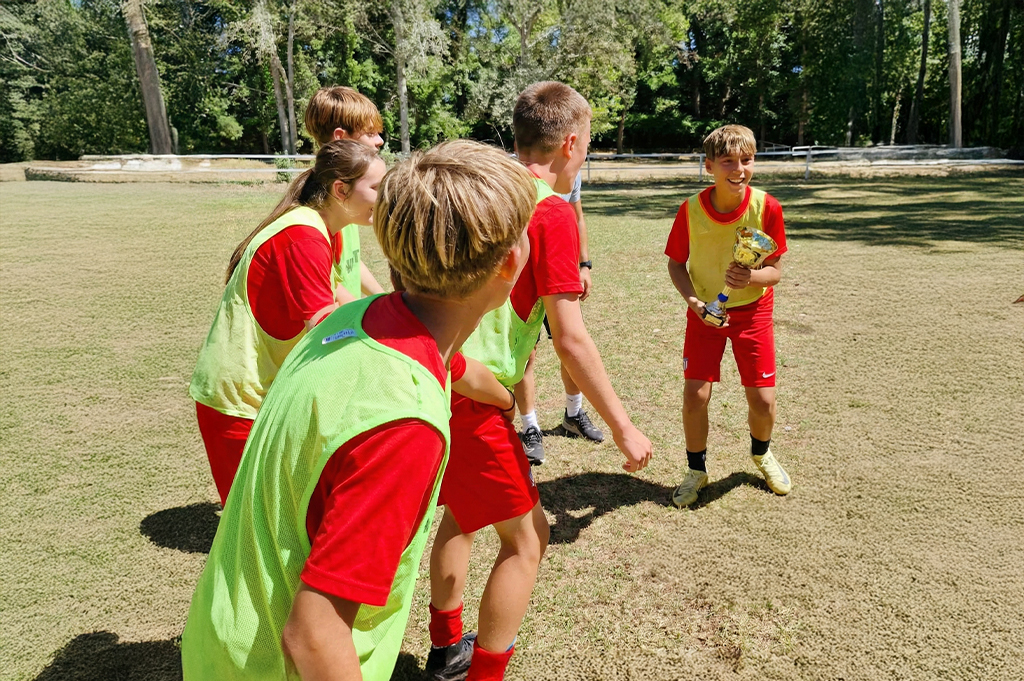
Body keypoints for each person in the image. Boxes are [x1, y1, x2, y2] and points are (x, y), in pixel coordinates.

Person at [180, 140, 538, 681]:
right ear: (510, 262)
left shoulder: (354, 322)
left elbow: (458, 367)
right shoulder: (405, 423)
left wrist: (506, 399)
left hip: (221, 647)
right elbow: (314, 635)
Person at [425, 81, 653, 681]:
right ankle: (480, 674)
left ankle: (446, 645)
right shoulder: (550, 211)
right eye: (590, 143)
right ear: (570, 143)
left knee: (461, 515)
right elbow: (570, 338)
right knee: (528, 541)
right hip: (477, 395)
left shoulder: (480, 188)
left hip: (432, 376)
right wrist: (623, 427)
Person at [189, 140, 385, 506]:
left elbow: (342, 298)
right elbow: (326, 329)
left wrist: (393, 317)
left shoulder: (320, 228)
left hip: (265, 396)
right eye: (377, 187)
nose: (384, 197)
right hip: (241, 403)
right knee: (255, 524)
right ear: (340, 190)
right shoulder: (304, 235)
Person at [665, 124, 793, 508]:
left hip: (753, 312)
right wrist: (693, 302)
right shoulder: (690, 210)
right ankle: (696, 470)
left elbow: (775, 272)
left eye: (746, 160)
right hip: (705, 314)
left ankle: (762, 454)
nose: (738, 169)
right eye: (727, 162)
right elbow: (676, 264)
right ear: (709, 167)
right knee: (695, 396)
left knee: (763, 401)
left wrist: (751, 277)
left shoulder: (767, 207)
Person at [513, 171, 603, 467]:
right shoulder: (514, 174)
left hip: (559, 273)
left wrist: (585, 264)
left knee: (570, 343)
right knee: (526, 353)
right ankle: (530, 427)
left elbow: (578, 217)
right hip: (524, 276)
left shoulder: (570, 174)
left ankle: (573, 415)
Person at [303, 85, 387, 304]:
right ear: (340, 137)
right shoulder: (320, 211)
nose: (380, 140)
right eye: (370, 133)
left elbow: (351, 261)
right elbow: (329, 282)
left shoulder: (349, 197)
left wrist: (383, 299)